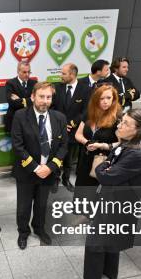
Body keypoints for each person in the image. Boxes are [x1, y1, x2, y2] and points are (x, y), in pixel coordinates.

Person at [78, 109, 141, 279]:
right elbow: (111, 167)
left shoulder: (138, 154)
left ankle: (91, 278)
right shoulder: (127, 144)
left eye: (125, 123)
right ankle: (109, 272)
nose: (119, 125)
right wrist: (108, 165)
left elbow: (105, 176)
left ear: (138, 130)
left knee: (95, 240)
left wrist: (103, 165)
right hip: (112, 199)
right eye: (121, 121)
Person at [12, 82, 68, 249]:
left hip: (48, 172)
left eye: (48, 97)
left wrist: (50, 167)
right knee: (24, 206)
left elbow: (64, 146)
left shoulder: (59, 118)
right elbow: (17, 145)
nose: (45, 101)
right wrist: (36, 168)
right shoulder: (20, 116)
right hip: (27, 171)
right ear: (32, 97)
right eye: (41, 97)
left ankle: (39, 228)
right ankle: (23, 232)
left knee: (42, 204)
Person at [52, 63, 93, 192]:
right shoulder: (57, 88)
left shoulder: (85, 89)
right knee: (57, 156)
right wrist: (61, 124)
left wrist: (72, 123)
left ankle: (66, 179)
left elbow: (86, 110)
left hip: (74, 130)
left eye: (63, 73)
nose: (61, 76)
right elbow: (52, 107)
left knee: (69, 158)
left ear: (72, 74)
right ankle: (55, 179)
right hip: (58, 129)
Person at [74, 84, 120, 188]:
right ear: (96, 100)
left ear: (113, 99)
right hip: (85, 159)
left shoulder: (117, 118)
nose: (105, 101)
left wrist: (103, 145)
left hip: (104, 161)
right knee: (81, 193)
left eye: (108, 98)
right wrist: (87, 142)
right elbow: (78, 134)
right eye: (101, 98)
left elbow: (122, 143)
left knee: (97, 196)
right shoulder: (89, 113)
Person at [5, 61, 37, 133]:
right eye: (24, 72)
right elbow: (12, 103)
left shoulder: (34, 83)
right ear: (18, 71)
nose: (27, 74)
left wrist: (20, 100)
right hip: (15, 121)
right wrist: (30, 100)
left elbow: (37, 101)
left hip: (30, 121)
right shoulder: (10, 83)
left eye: (29, 72)